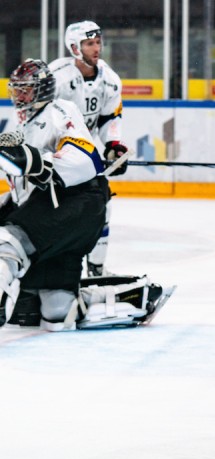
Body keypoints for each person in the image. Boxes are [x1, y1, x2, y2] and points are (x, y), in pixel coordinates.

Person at [1, 59, 168, 331]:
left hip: (74, 202)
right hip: (62, 217)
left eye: (26, 89)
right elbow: (23, 193)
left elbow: (85, 159)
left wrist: (41, 164)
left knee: (7, 242)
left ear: (42, 89)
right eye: (17, 89)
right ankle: (129, 296)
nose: (20, 95)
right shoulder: (25, 128)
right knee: (55, 311)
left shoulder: (59, 110)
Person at [49, 21, 128, 278]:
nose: (97, 48)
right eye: (89, 43)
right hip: (57, 158)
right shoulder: (56, 77)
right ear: (74, 47)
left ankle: (96, 270)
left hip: (89, 157)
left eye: (98, 42)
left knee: (103, 207)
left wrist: (114, 146)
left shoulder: (110, 80)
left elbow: (109, 120)